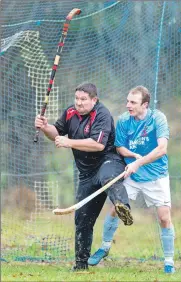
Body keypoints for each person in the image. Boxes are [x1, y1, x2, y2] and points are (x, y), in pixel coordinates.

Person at [34, 82, 137, 271]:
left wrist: (68, 142)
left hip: (108, 161)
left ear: (94, 100)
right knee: (82, 219)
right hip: (86, 173)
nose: (79, 103)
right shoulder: (70, 112)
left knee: (108, 178)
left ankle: (123, 207)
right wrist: (45, 127)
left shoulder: (102, 114)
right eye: (77, 99)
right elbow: (56, 134)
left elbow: (97, 145)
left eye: (83, 99)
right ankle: (81, 265)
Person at [88, 86, 175, 274]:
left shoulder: (158, 119)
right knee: (116, 208)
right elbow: (119, 146)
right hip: (132, 174)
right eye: (127, 101)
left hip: (156, 175)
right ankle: (104, 246)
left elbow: (162, 149)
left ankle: (169, 261)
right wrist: (133, 157)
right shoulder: (124, 120)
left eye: (133, 102)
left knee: (164, 218)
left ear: (145, 105)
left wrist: (140, 162)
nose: (128, 105)